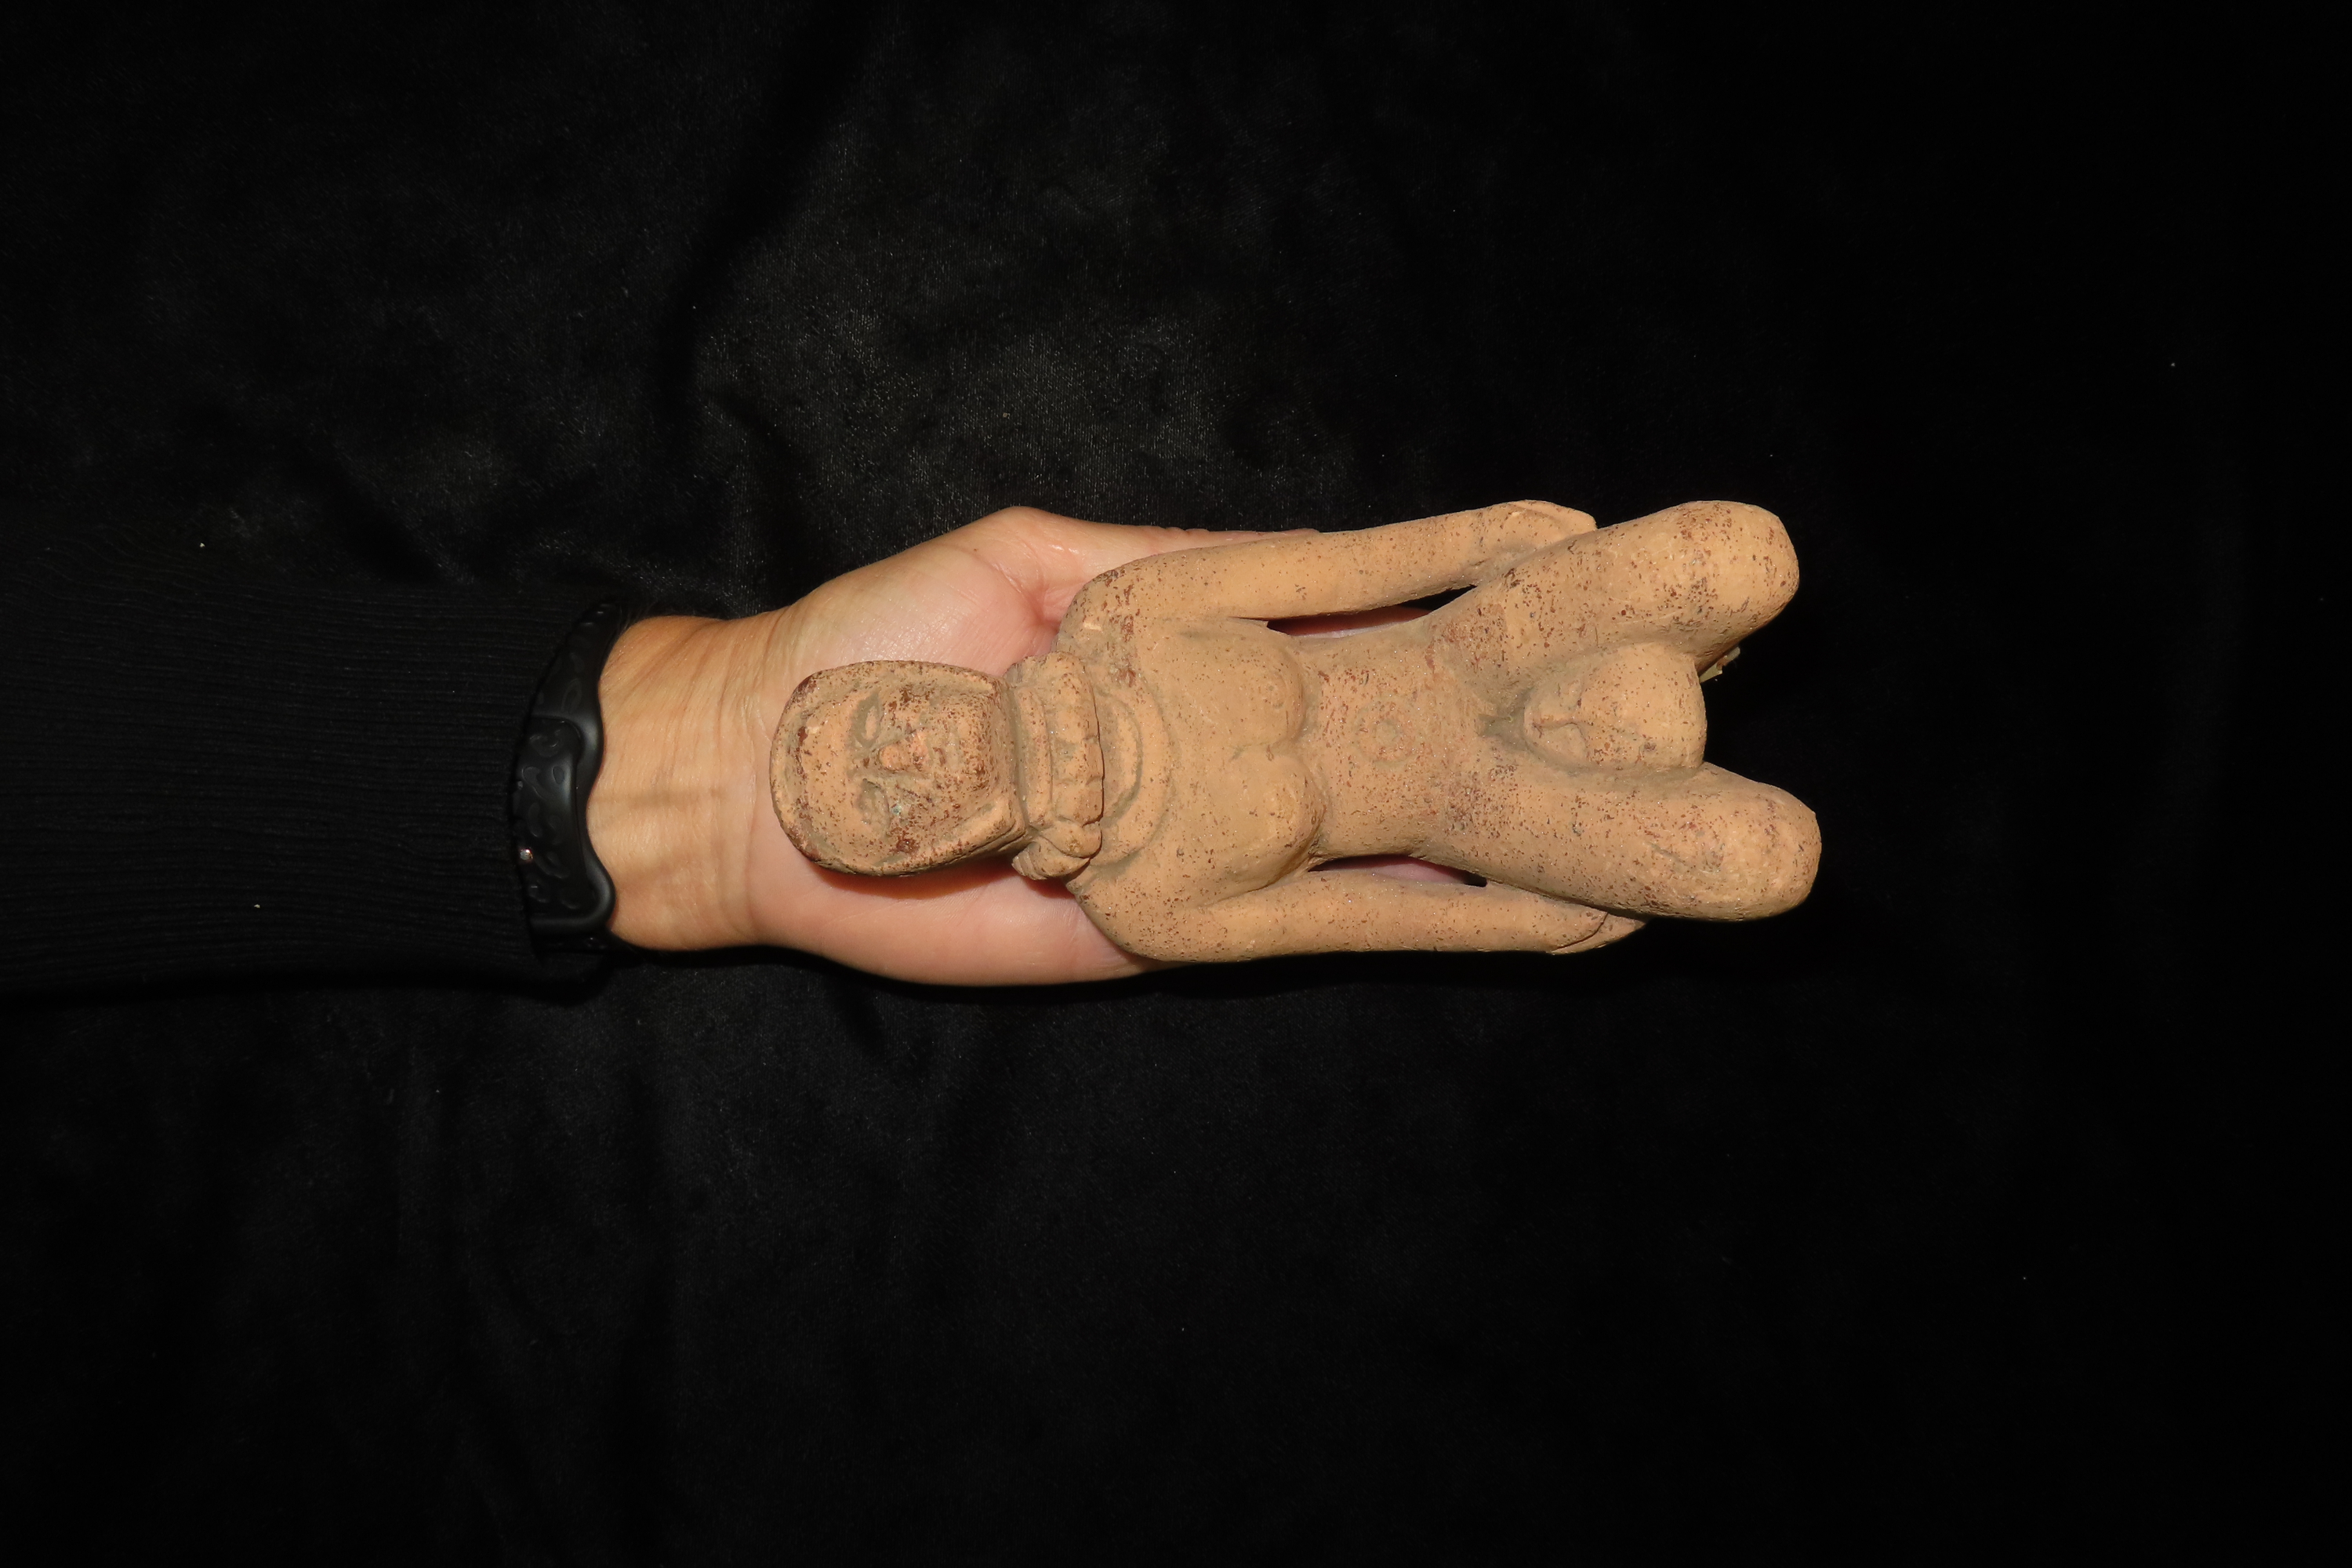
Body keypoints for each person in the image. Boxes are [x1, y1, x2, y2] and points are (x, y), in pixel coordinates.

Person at [0, 507, 1282, 993]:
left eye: (884, 730)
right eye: (900, 783)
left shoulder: (1095, 657)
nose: (916, 758)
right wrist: (701, 801)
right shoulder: (1114, 878)